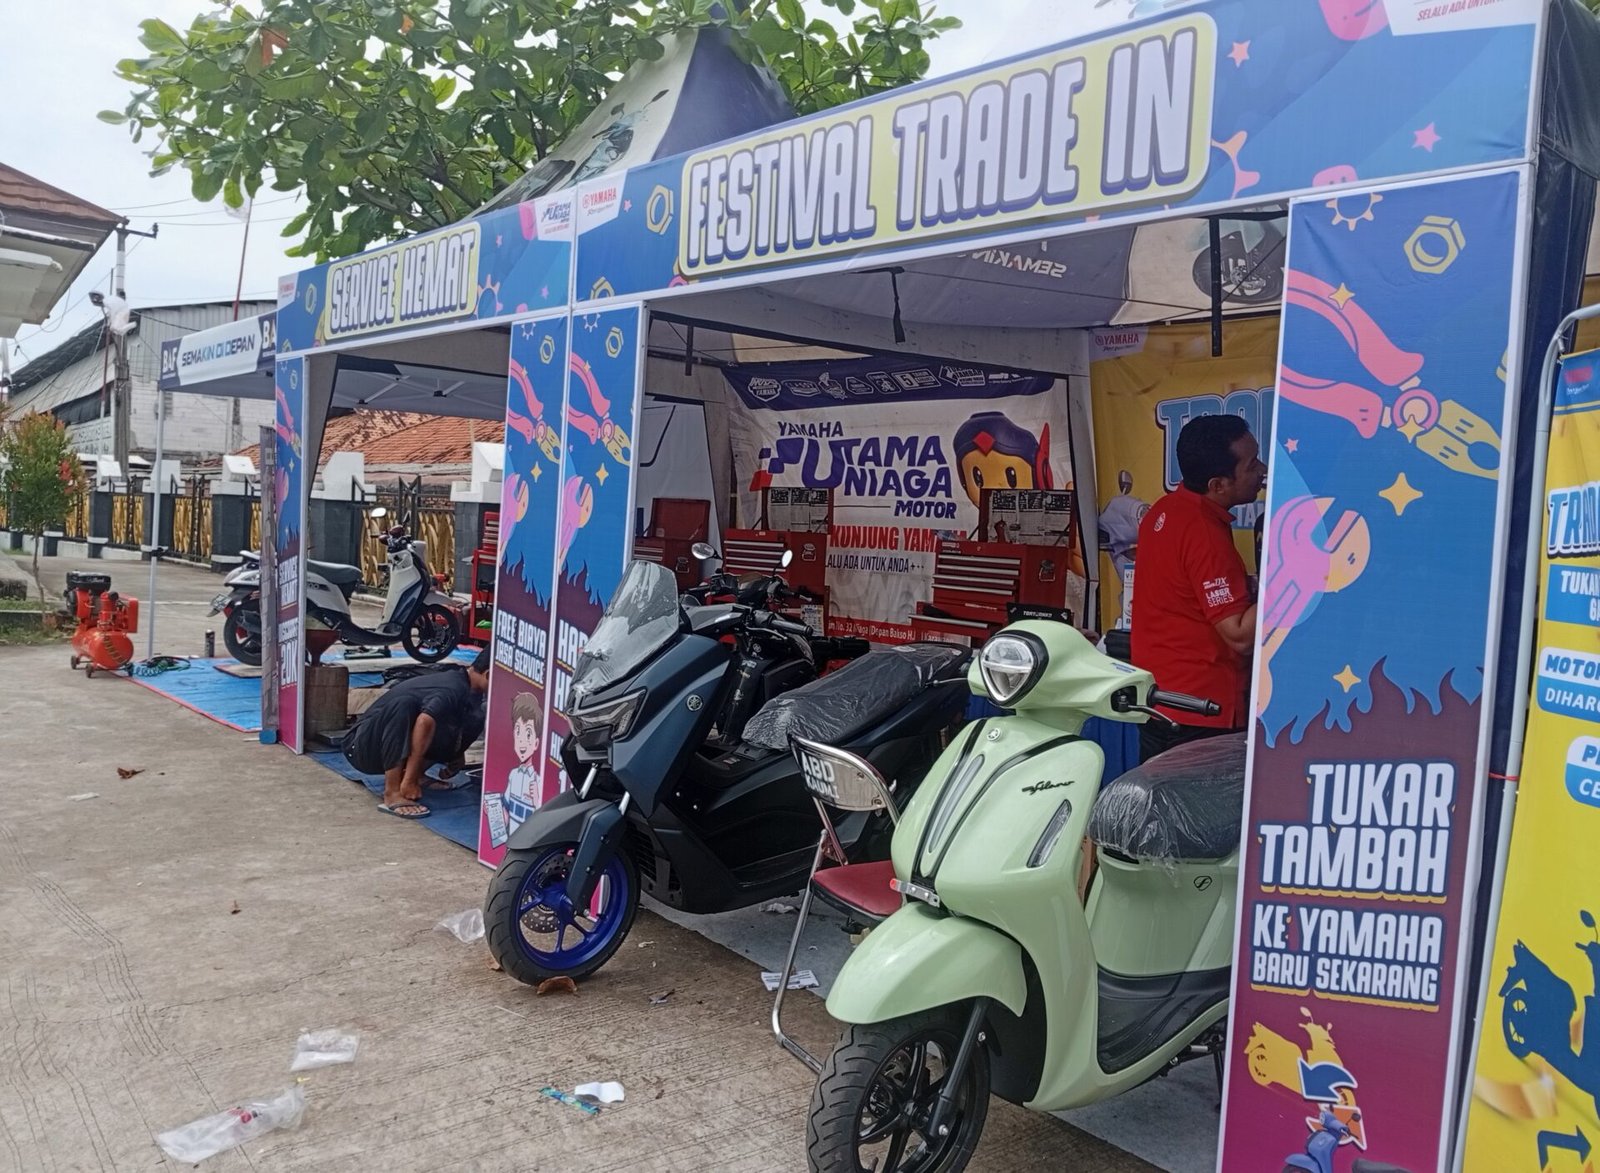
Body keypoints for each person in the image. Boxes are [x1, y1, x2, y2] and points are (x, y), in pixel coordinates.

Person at [1131, 415, 1266, 763]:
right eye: (1252, 464)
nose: (1263, 471)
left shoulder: (1163, 511)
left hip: (1162, 703)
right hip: (1202, 714)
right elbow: (1239, 634)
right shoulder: (1203, 533)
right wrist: (1290, 577)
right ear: (1218, 484)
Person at [342, 649, 491, 819]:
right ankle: (393, 791)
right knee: (404, 705)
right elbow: (424, 723)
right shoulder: (453, 687)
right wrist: (409, 780)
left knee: (475, 716)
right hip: (360, 747)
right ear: (488, 675)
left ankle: (418, 777)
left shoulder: (471, 690)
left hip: (384, 748)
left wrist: (457, 752)